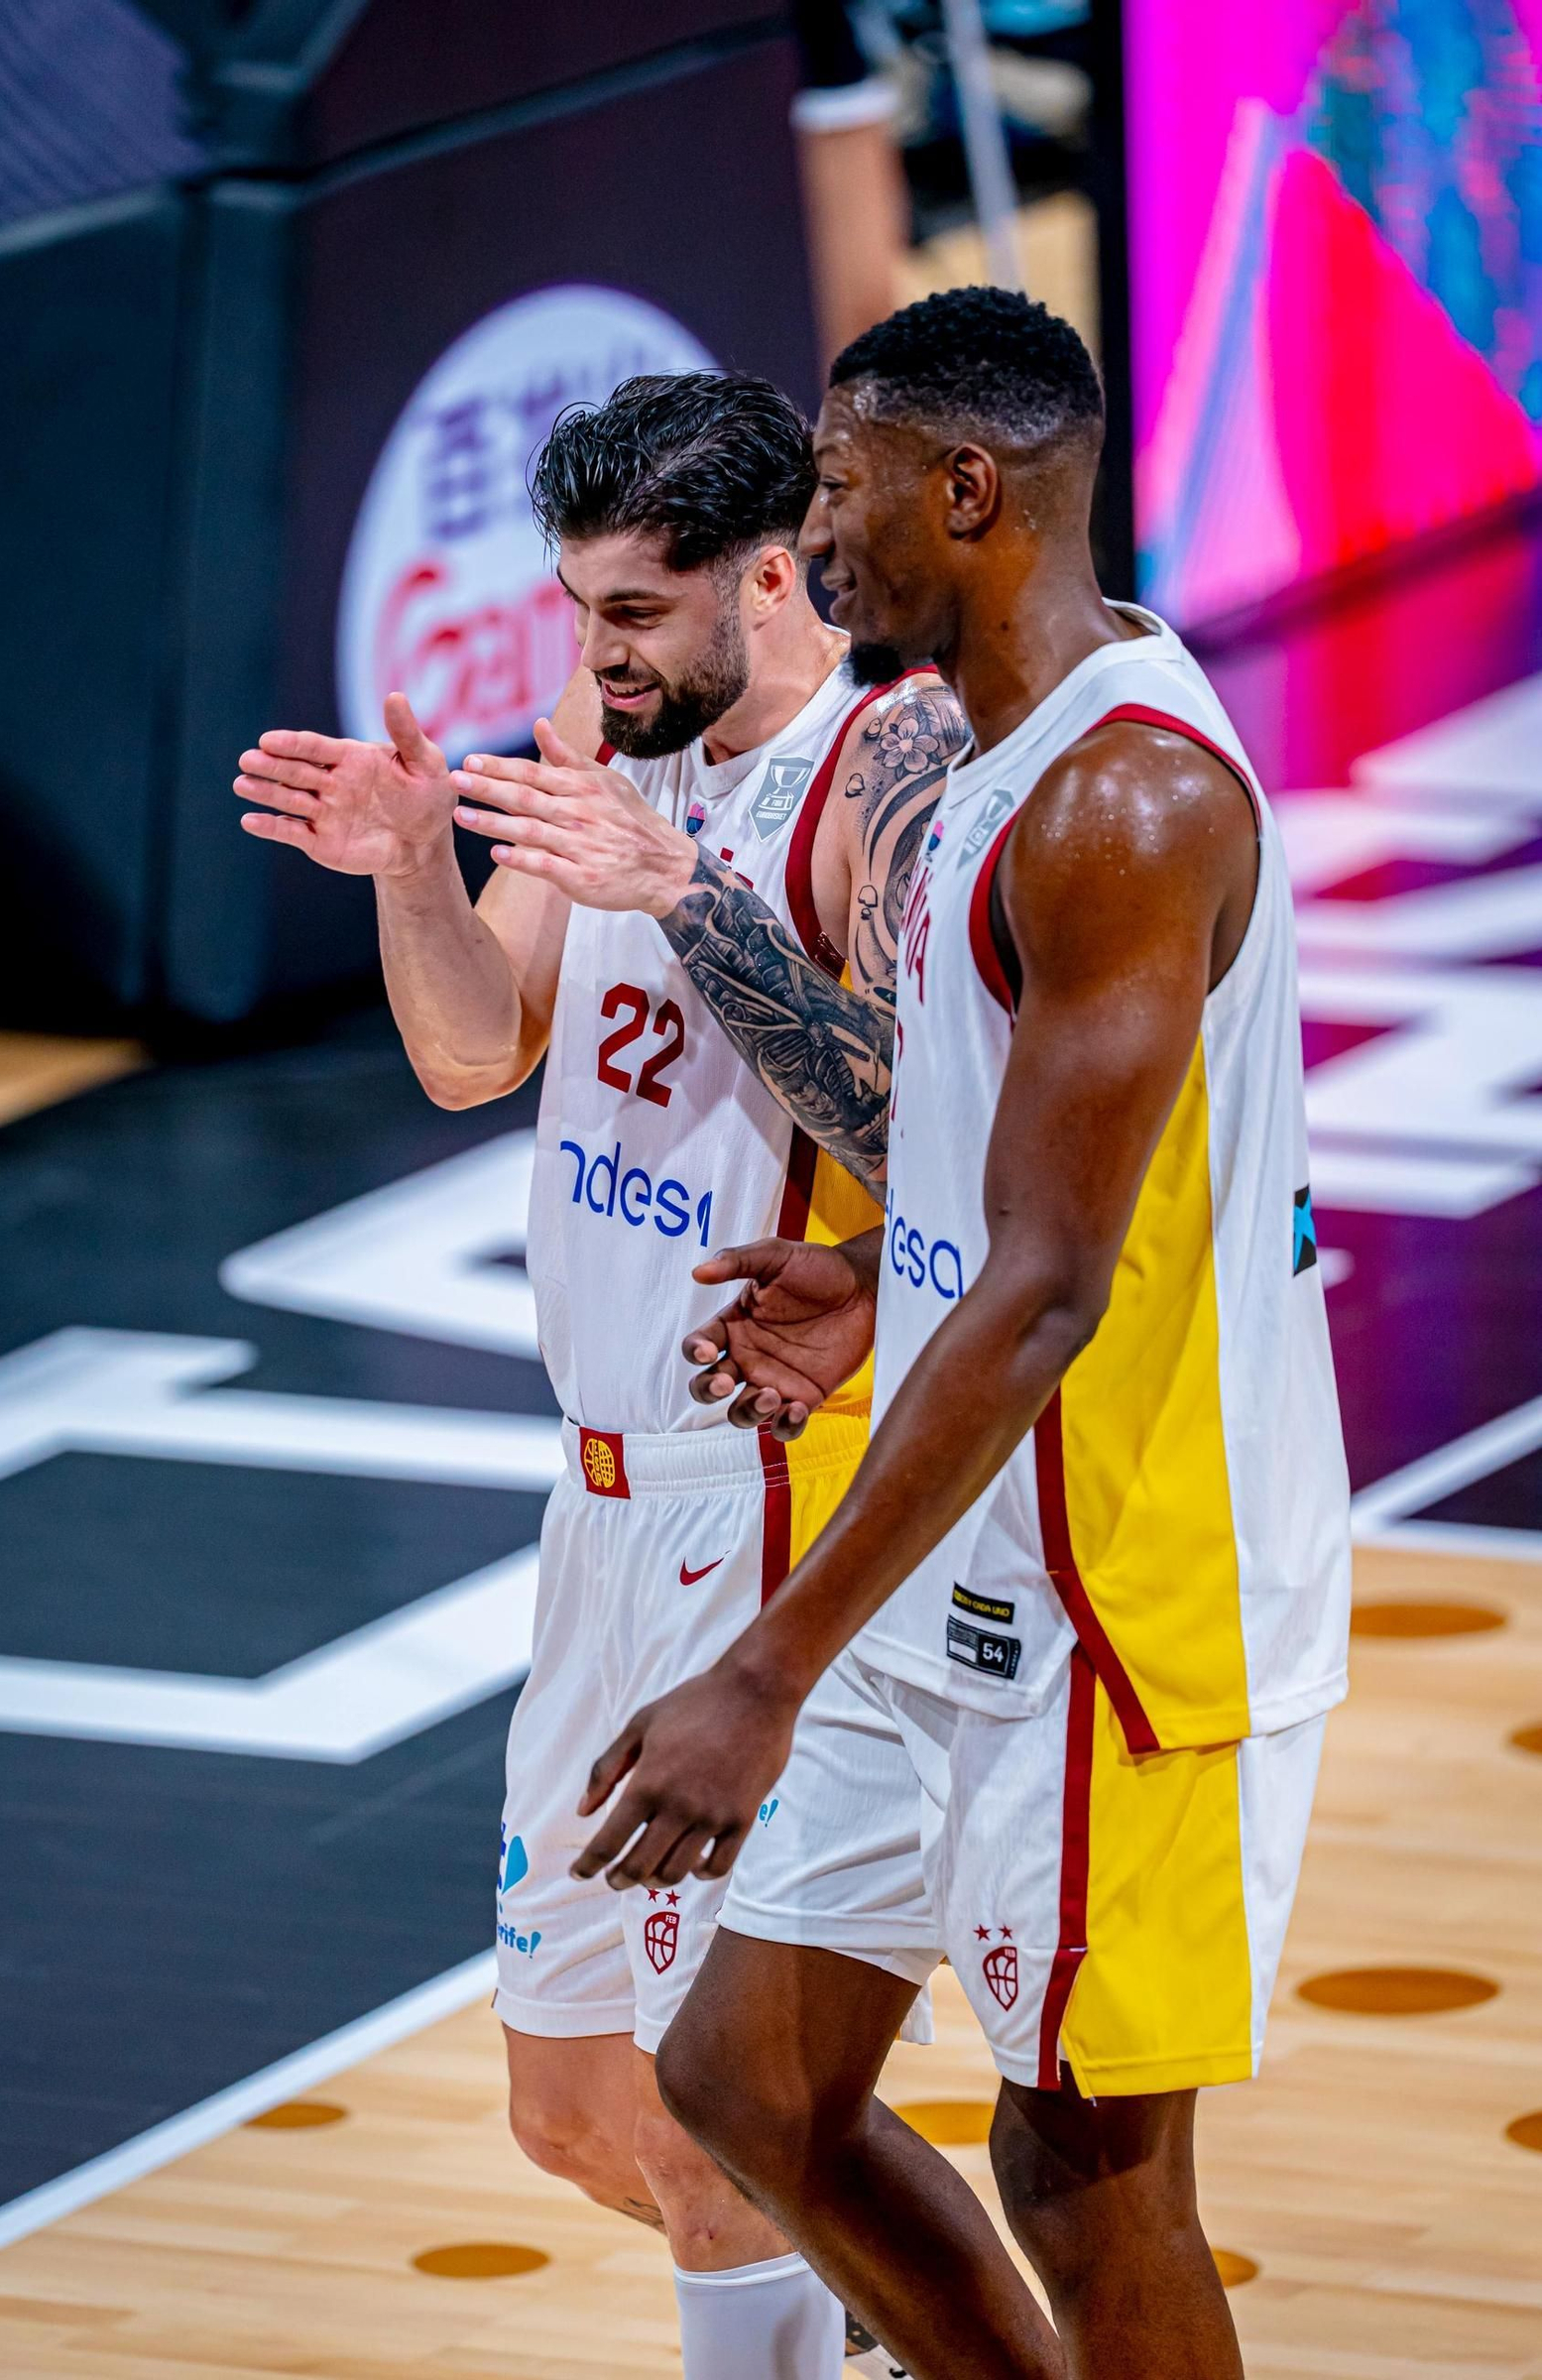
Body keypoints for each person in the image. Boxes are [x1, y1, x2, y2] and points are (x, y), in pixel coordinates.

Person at [568, 290, 1354, 2380]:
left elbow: (1049, 1287)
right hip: (962, 1545)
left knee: (1087, 2187)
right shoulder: (994, 760)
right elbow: (1000, 1210)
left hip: (1125, 1578)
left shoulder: (1119, 805)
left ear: (967, 492)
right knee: (743, 2080)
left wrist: (758, 1668)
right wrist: (882, 1267)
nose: (817, 545)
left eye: (838, 491)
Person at [234, 369, 963, 2380]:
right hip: (597, 1499)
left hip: (772, 1494)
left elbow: (944, 1150)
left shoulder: (886, 778)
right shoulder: (598, 744)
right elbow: (476, 1048)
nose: (591, 658)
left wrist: (697, 906)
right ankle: (917, 2334)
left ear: (765, 575)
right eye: (571, 611)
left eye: (629, 615)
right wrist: (403, 864)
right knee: (570, 2113)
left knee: (720, 2110)